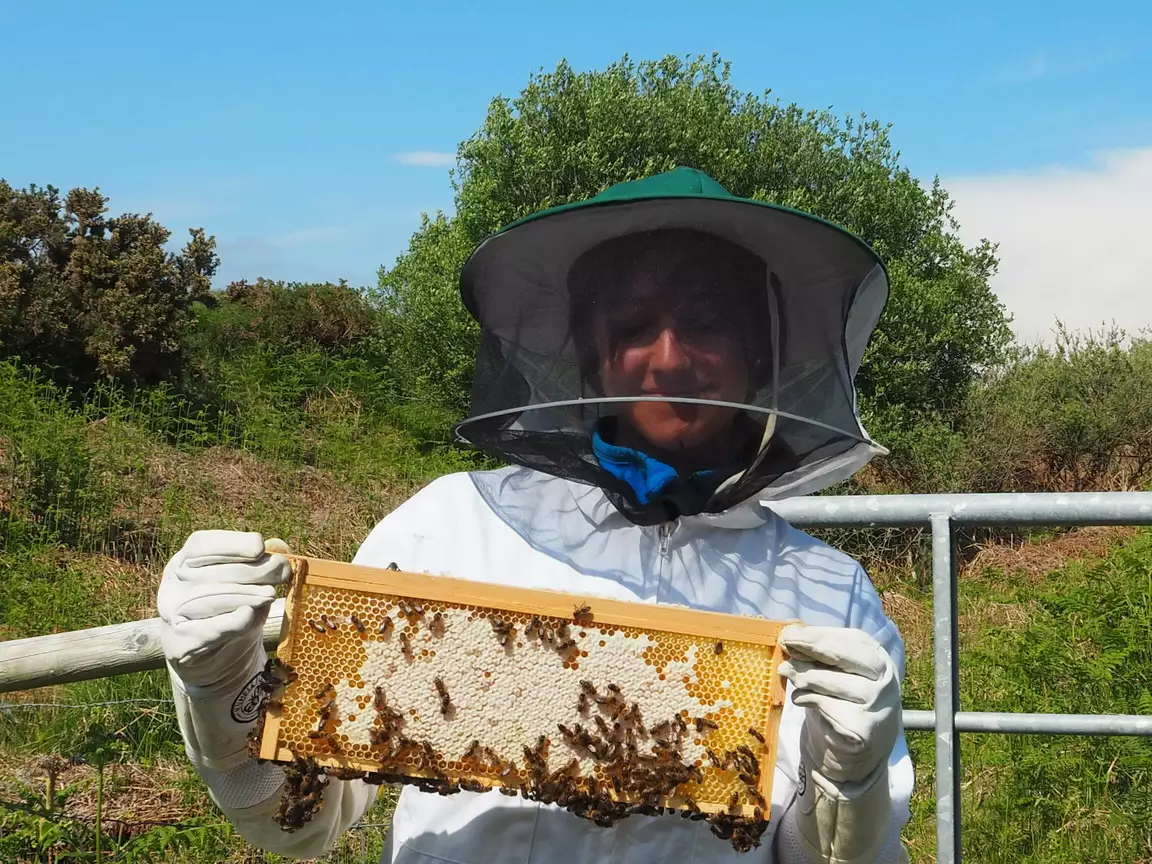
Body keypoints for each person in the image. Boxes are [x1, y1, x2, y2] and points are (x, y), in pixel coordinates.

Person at [158, 167, 912, 863]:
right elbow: (304, 818)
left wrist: (852, 783)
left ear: (762, 353)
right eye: (633, 327)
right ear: (591, 358)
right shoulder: (448, 530)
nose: (670, 358)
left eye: (709, 322)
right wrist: (224, 687)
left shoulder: (827, 596)